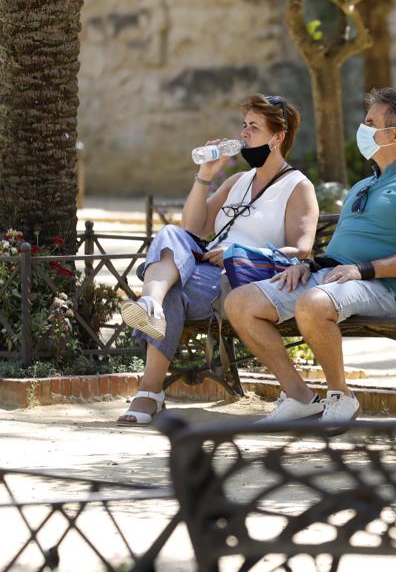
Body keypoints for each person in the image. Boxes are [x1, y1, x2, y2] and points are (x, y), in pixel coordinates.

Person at [224, 87, 396, 425]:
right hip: (336, 277)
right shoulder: (363, 186)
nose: (362, 129)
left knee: (313, 303)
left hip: (383, 286)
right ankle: (300, 397)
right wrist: (307, 265)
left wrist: (362, 270)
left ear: (395, 134)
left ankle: (340, 395)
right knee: (240, 302)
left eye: (370, 122)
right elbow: (341, 251)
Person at [116, 95, 319, 426]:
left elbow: (301, 251)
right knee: (171, 239)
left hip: (246, 283)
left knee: (175, 288)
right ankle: (151, 304)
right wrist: (204, 176)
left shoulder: (298, 187)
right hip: (207, 278)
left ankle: (148, 392)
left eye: (254, 127)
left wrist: (240, 253)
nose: (244, 135)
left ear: (277, 138)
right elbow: (194, 228)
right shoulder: (237, 182)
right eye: (244, 126)